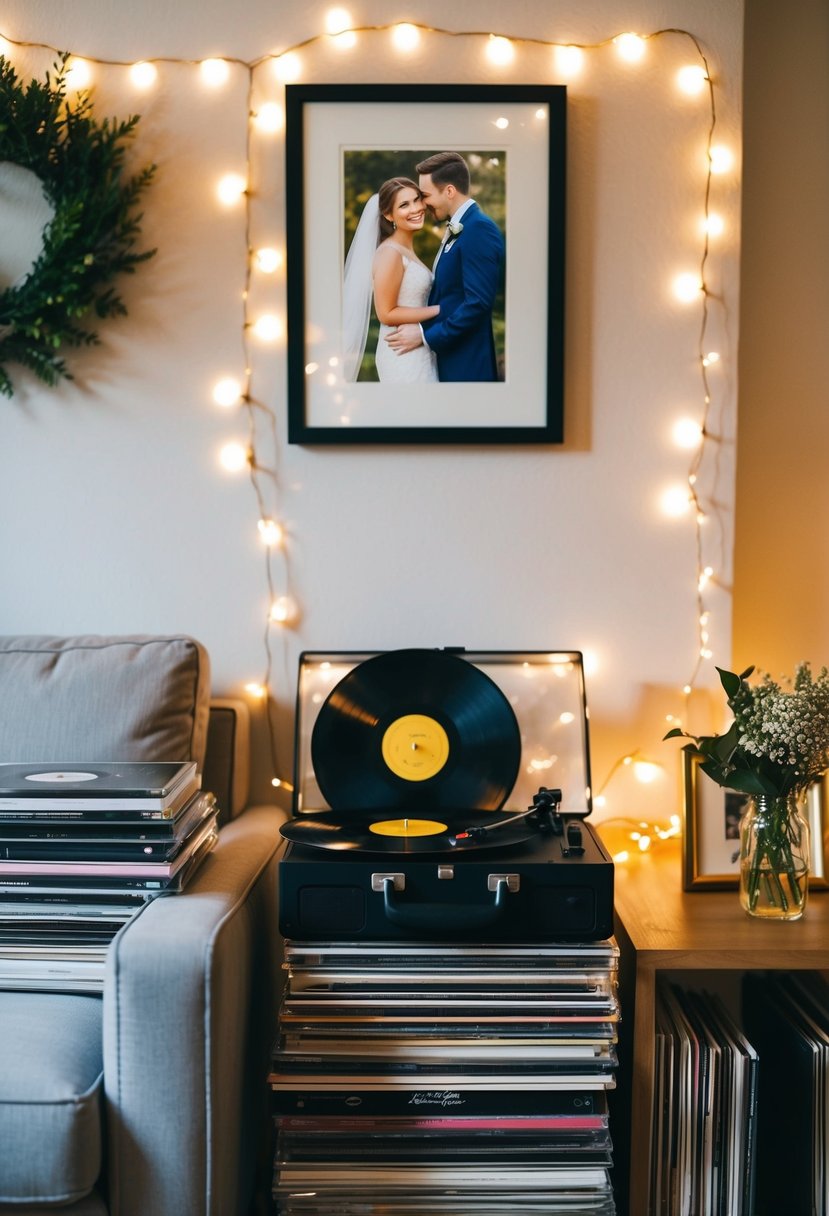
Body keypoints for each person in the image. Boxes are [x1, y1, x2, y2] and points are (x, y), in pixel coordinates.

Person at [384, 151, 505, 382]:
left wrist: (424, 335)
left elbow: (477, 304)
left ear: (449, 191)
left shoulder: (479, 229)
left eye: (425, 196)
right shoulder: (462, 227)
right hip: (449, 361)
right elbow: (450, 296)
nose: (423, 204)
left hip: (467, 367)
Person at [342, 177, 440, 383]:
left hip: (416, 347)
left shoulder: (405, 250)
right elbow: (386, 313)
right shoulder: (390, 252)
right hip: (402, 352)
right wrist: (440, 310)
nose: (416, 208)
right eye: (404, 205)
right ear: (388, 215)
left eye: (416, 200)